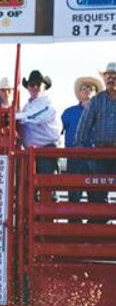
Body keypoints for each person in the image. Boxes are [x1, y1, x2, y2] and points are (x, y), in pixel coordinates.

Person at [75, 62, 116, 210]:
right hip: (101, 152)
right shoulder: (97, 100)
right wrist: (80, 147)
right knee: (99, 193)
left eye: (114, 76)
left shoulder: (96, 100)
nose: (111, 79)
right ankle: (100, 223)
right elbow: (83, 126)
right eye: (108, 76)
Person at [61, 75, 103, 209]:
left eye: (91, 88)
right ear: (79, 92)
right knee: (74, 197)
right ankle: (73, 226)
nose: (87, 90)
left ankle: (95, 228)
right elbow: (56, 133)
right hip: (75, 159)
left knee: (97, 198)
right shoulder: (68, 113)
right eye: (83, 88)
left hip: (96, 160)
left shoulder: (103, 113)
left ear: (96, 92)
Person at [16, 70, 61, 174]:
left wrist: (12, 116)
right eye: (32, 85)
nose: (35, 87)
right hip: (31, 152)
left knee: (46, 184)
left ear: (44, 86)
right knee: (29, 186)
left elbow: (34, 117)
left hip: (46, 151)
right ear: (28, 87)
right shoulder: (27, 107)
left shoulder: (48, 103)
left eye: (38, 84)